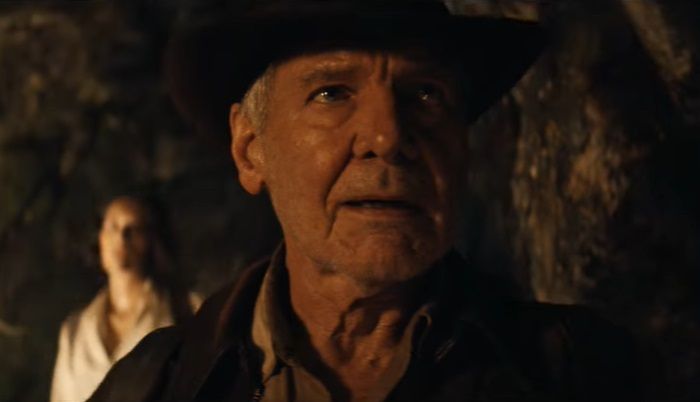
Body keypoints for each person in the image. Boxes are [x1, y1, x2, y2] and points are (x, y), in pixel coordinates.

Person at [89, 1, 644, 401]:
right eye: (332, 93)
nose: (388, 136)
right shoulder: (154, 387)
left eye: (426, 94)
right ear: (251, 148)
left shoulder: (585, 374)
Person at [50, 195, 200, 402]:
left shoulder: (187, 309)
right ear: (100, 238)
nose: (121, 237)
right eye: (113, 227)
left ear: (150, 239)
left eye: (133, 229)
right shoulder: (75, 331)